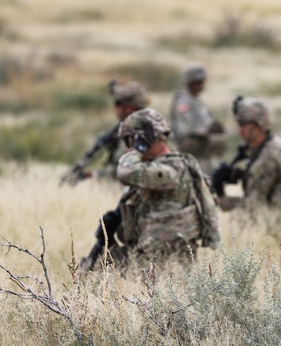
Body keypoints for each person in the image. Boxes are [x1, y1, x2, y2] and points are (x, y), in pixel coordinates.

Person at [79, 108, 220, 271]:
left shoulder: (169, 170)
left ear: (144, 140)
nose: (127, 149)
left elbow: (126, 172)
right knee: (93, 265)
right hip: (156, 256)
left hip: (163, 264)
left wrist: (137, 149)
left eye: (129, 141)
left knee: (95, 274)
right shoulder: (172, 165)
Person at [210, 96, 281, 218]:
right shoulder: (271, 144)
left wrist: (221, 200)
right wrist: (239, 174)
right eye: (239, 124)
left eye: (244, 124)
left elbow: (254, 206)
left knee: (239, 220)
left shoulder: (268, 157)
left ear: (258, 125)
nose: (240, 129)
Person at [61, 80, 150, 185]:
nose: (115, 108)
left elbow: (126, 171)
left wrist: (91, 175)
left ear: (130, 108)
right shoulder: (124, 128)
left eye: (118, 104)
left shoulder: (140, 132)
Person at [168, 63, 226, 174]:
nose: (202, 84)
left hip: (204, 152)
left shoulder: (199, 102)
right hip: (190, 154)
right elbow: (184, 130)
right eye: (198, 82)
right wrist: (205, 131)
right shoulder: (183, 103)